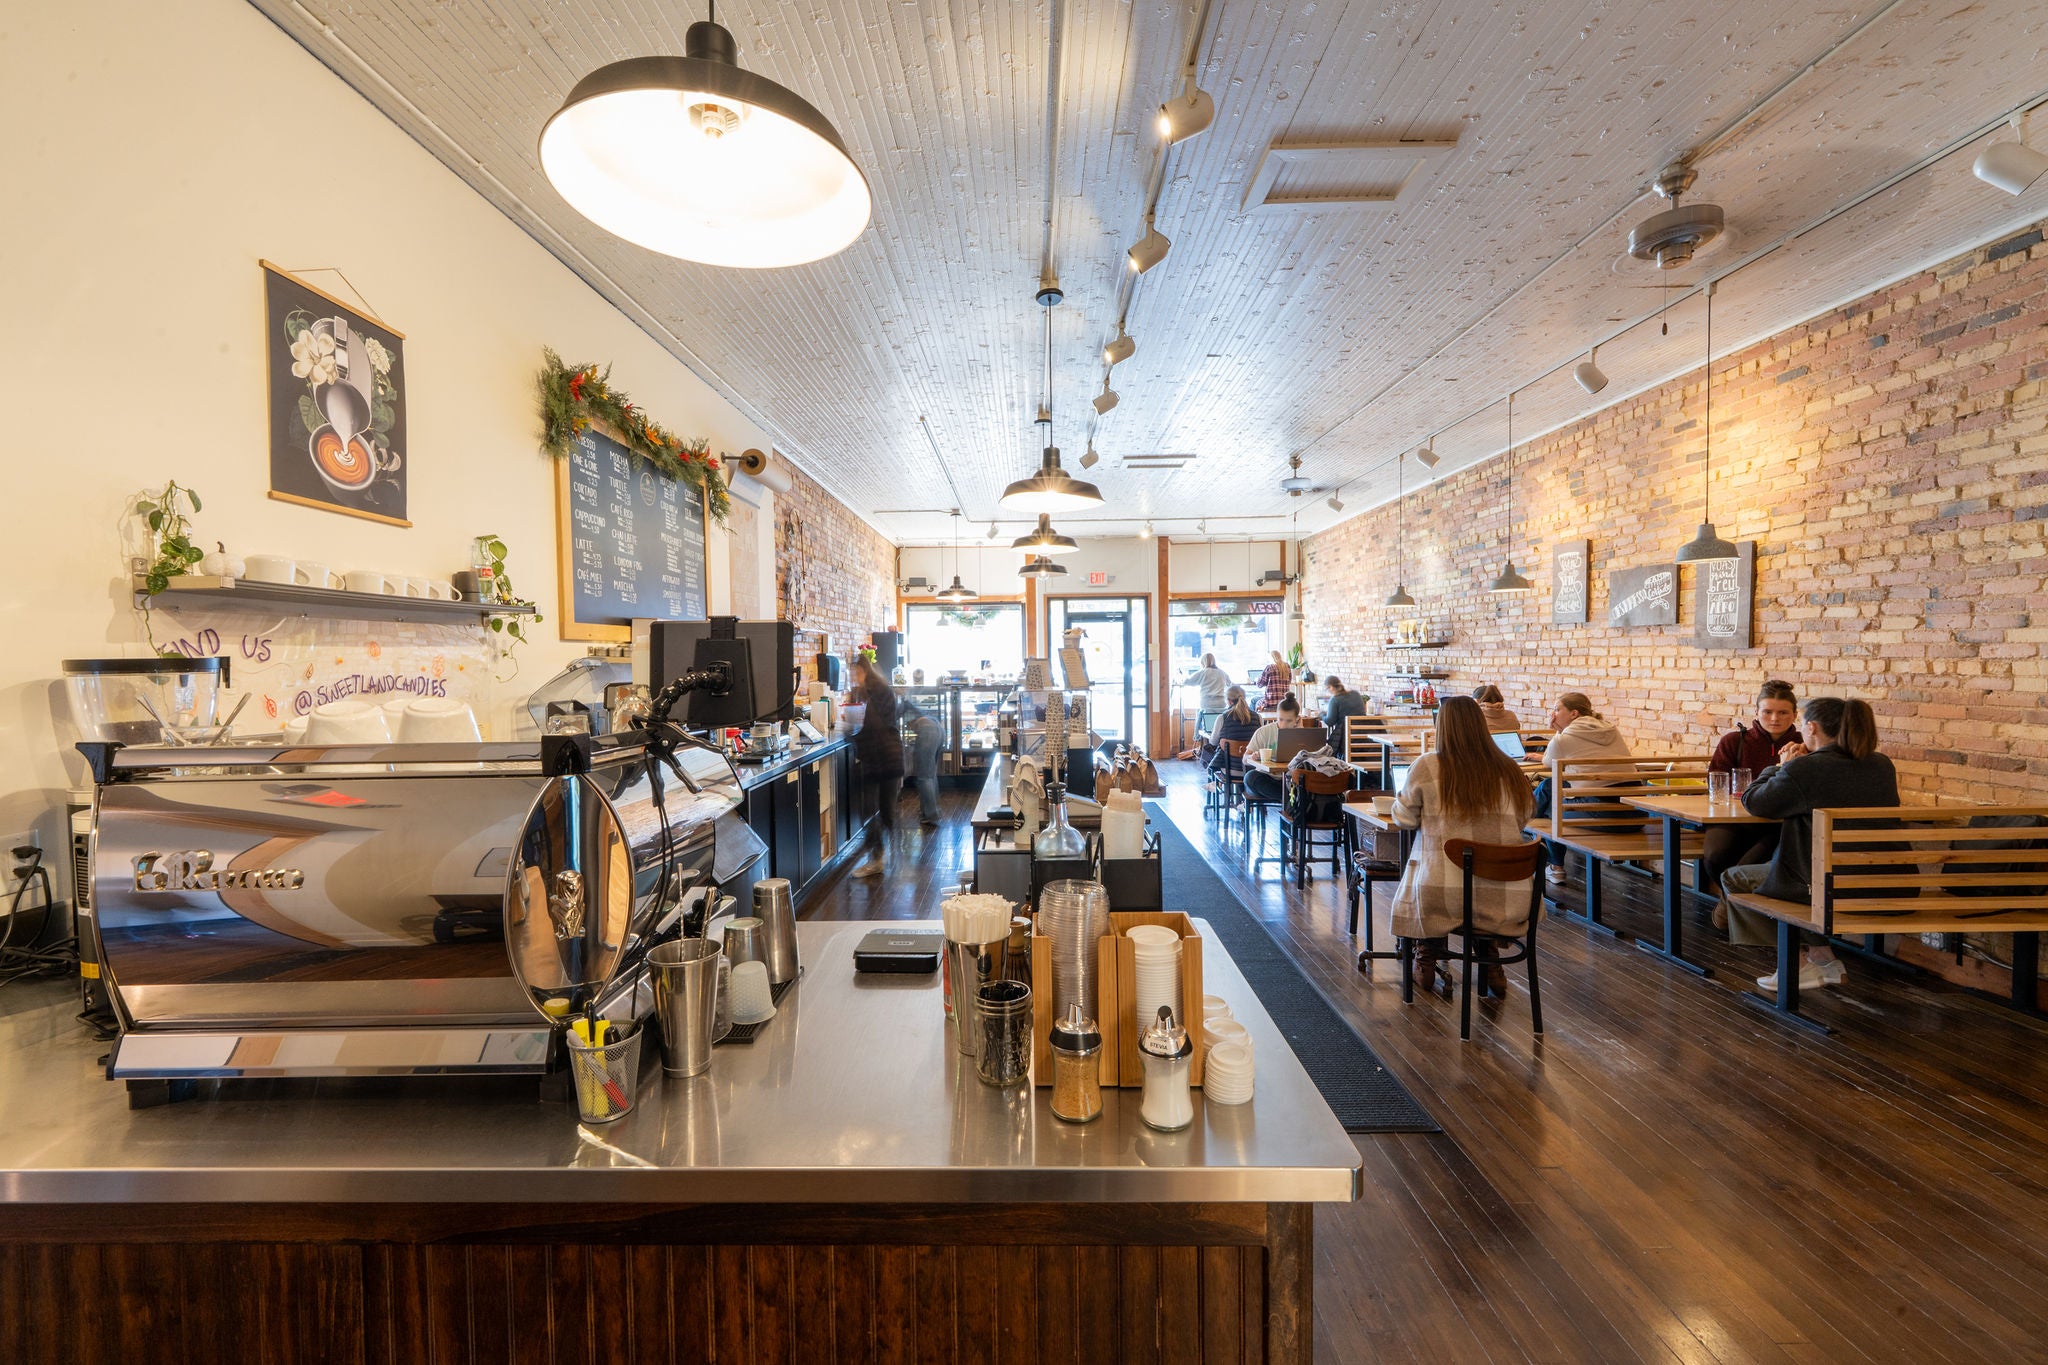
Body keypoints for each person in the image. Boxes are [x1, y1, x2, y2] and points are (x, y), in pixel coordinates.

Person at [1719, 698, 1897, 990]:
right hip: (1887, 883)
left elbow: (1755, 802)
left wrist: (1780, 766)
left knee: (1734, 878)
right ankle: (1823, 958)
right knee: (1792, 873)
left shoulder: (1805, 769)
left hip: (1830, 887)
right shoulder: (1881, 765)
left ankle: (1799, 964)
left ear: (1811, 727)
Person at [1390, 696, 1539, 999]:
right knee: (1475, 884)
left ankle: (1427, 951)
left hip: (1444, 896)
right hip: (1510, 897)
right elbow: (1524, 818)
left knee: (1427, 868)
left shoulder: (1428, 765)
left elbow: (1404, 819)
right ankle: (1489, 959)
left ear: (1441, 727)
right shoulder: (1509, 768)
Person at [1700, 680, 1801, 902]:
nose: (1775, 719)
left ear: (1795, 714)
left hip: (1780, 824)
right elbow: (1715, 784)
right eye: (1768, 711)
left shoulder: (1803, 746)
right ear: (1756, 712)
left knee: (1746, 865)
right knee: (1714, 857)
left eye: (1783, 712)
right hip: (1734, 819)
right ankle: (1737, 904)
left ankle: (1732, 906)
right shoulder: (1734, 741)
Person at [1532, 692, 1633, 884]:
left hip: (1605, 818)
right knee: (1549, 787)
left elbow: (1547, 762)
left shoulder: (1564, 738)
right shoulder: (1611, 729)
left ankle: (1554, 866)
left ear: (1574, 713)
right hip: (1634, 814)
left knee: (1549, 804)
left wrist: (1558, 732)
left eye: (1557, 709)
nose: (1553, 714)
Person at [848, 659, 904, 877]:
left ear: (862, 671)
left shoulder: (870, 693)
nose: (855, 678)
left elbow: (868, 726)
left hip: (878, 758)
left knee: (869, 809)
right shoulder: (882, 689)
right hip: (891, 755)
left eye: (855, 674)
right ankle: (891, 855)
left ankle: (877, 858)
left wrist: (848, 728)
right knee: (886, 809)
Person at [1242, 696, 1309, 804]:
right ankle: (1291, 801)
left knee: (1310, 781)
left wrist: (1300, 731)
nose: (1283, 724)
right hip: (1268, 778)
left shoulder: (1303, 736)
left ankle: (1291, 801)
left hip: (1292, 779)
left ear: (1297, 719)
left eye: (1289, 720)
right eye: (1280, 719)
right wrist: (1252, 757)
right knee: (1250, 777)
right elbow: (1244, 759)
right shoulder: (1263, 732)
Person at [900, 695, 945, 828]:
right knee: (930, 774)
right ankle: (930, 810)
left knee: (924, 777)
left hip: (927, 730)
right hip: (937, 727)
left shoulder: (892, 702)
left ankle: (931, 814)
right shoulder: (905, 701)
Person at [1206, 687, 1261, 773]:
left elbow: (1213, 742)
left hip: (1229, 768)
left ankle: (1212, 783)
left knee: (1207, 752)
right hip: (1253, 767)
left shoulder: (1222, 718)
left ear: (1229, 701)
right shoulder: (1258, 717)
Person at [1185, 652, 1232, 735]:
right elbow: (1229, 684)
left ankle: (1197, 737)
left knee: (1199, 713)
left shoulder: (1203, 672)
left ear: (1203, 662)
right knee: (1217, 720)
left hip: (1207, 703)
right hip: (1221, 704)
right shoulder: (1222, 672)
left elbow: (1188, 682)